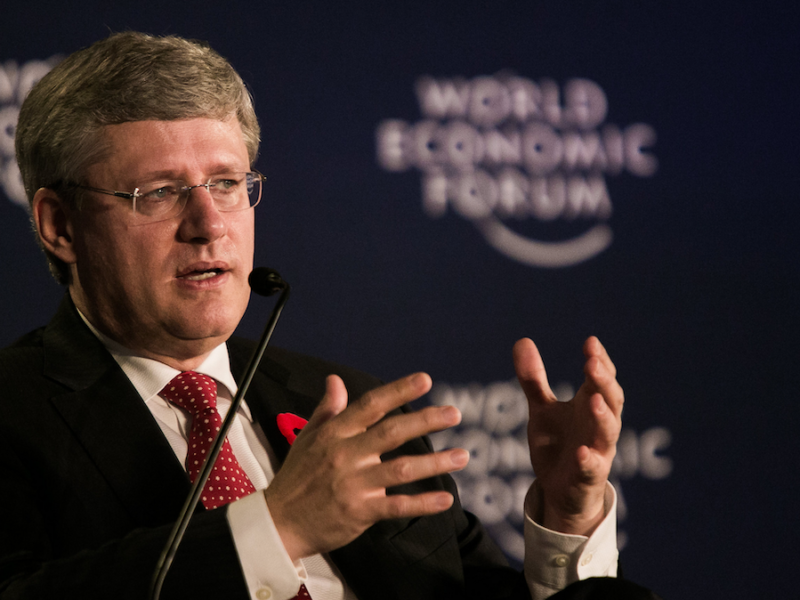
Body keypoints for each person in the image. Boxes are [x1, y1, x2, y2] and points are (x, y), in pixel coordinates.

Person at [1, 31, 654, 600]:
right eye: (161, 193)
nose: (208, 226)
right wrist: (277, 526)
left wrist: (568, 522)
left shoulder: (351, 407)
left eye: (227, 184)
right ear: (59, 226)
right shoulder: (16, 413)